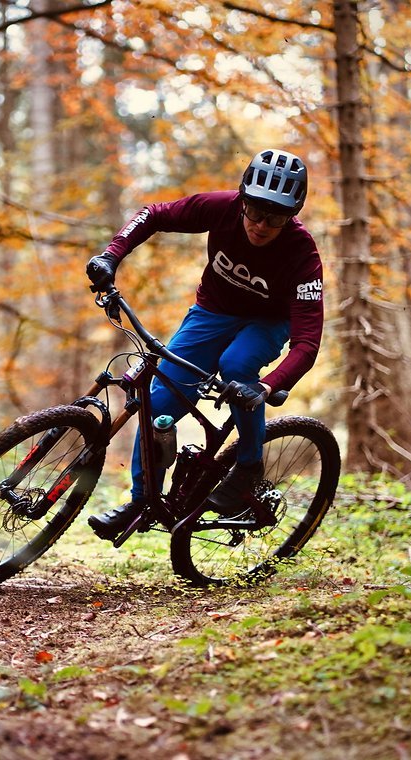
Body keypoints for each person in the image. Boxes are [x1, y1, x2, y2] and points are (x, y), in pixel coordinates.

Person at [84, 149, 324, 541]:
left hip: (267, 322)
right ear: (242, 200)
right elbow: (155, 214)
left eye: (275, 217)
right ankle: (142, 502)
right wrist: (111, 256)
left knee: (236, 366)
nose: (261, 225)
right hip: (211, 313)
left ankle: (247, 466)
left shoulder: (302, 253)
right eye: (254, 211)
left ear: (291, 215)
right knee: (156, 407)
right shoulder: (222, 208)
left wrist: (265, 386)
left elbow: (307, 342)